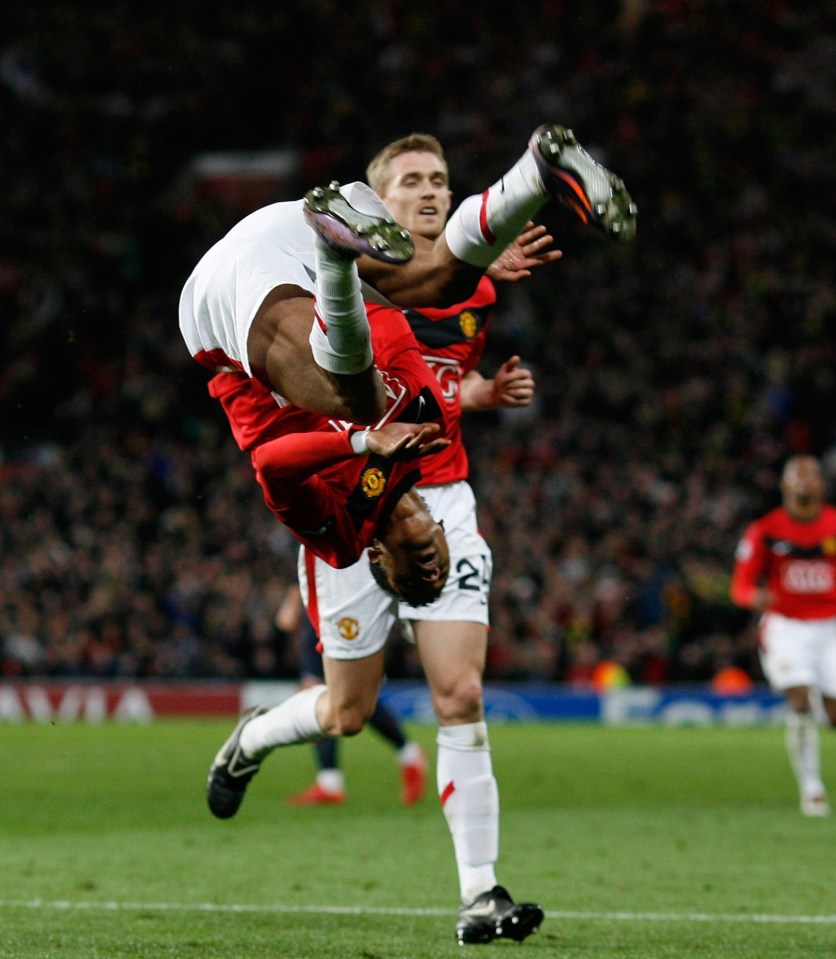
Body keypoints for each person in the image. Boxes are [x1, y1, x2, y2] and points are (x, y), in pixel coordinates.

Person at [201, 122, 636, 943]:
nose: (432, 192)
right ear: (380, 200)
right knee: (346, 712)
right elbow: (432, 288)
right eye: (414, 182)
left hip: (395, 456)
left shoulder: (340, 523)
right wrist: (480, 258)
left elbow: (289, 456)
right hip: (349, 366)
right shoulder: (438, 276)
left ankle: (481, 892)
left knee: (457, 692)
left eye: (440, 180)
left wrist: (413, 420)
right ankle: (251, 739)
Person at [730, 455, 836, 817]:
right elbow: (740, 585)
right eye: (798, 476)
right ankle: (812, 788)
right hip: (787, 626)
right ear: (785, 486)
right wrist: (752, 597)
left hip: (831, 627)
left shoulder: (834, 526)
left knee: (833, 713)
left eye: (812, 476)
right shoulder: (766, 530)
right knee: (800, 697)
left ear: (822, 485)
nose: (805, 482)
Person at [277, 584, 427, 806]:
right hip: (327, 610)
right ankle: (407, 754)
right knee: (339, 697)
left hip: (341, 609)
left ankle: (331, 781)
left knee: (330, 695)